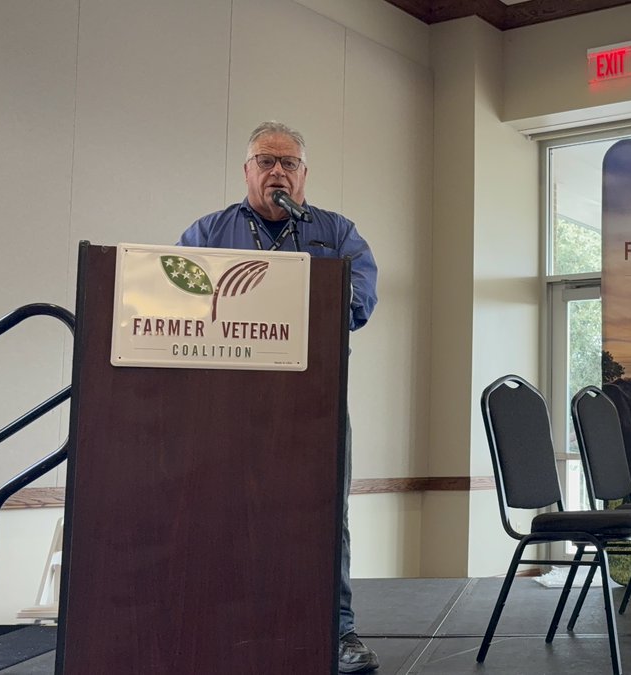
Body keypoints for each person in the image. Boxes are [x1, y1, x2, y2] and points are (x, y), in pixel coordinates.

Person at [179, 121, 380, 673]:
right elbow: (180, 305)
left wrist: (299, 289)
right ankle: (222, 624)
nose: (277, 171)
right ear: (246, 171)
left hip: (312, 404)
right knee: (222, 511)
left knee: (324, 516)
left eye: (288, 163)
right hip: (226, 406)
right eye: (266, 161)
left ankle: (337, 633)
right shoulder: (208, 233)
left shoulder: (336, 233)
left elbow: (359, 301)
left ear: (304, 175)